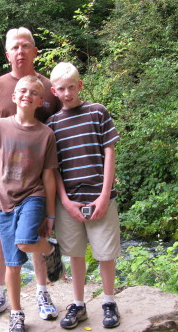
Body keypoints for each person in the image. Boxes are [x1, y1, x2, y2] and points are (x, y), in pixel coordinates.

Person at [0, 27, 61, 323]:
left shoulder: (48, 87)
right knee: (1, 239)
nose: (20, 51)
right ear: (7, 54)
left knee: (34, 234)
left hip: (36, 185)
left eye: (26, 46)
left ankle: (43, 291)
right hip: (2, 182)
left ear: (35, 51)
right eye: (14, 47)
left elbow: (62, 127)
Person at [0, 75, 64, 332]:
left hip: (33, 196)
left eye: (33, 92)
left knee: (26, 241)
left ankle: (50, 251)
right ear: (14, 97)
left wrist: (50, 214)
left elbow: (49, 176)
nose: (27, 95)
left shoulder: (46, 134)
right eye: (22, 91)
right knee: (12, 263)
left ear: (40, 101)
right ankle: (16, 313)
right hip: (2, 202)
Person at [46, 62, 122, 329]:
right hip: (69, 202)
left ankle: (109, 301)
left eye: (71, 87)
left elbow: (110, 152)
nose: (67, 93)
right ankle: (78, 305)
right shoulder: (52, 124)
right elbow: (53, 167)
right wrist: (65, 201)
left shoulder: (97, 112)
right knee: (75, 254)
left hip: (100, 196)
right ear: (54, 91)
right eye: (61, 89)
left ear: (80, 85)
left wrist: (104, 196)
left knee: (105, 253)